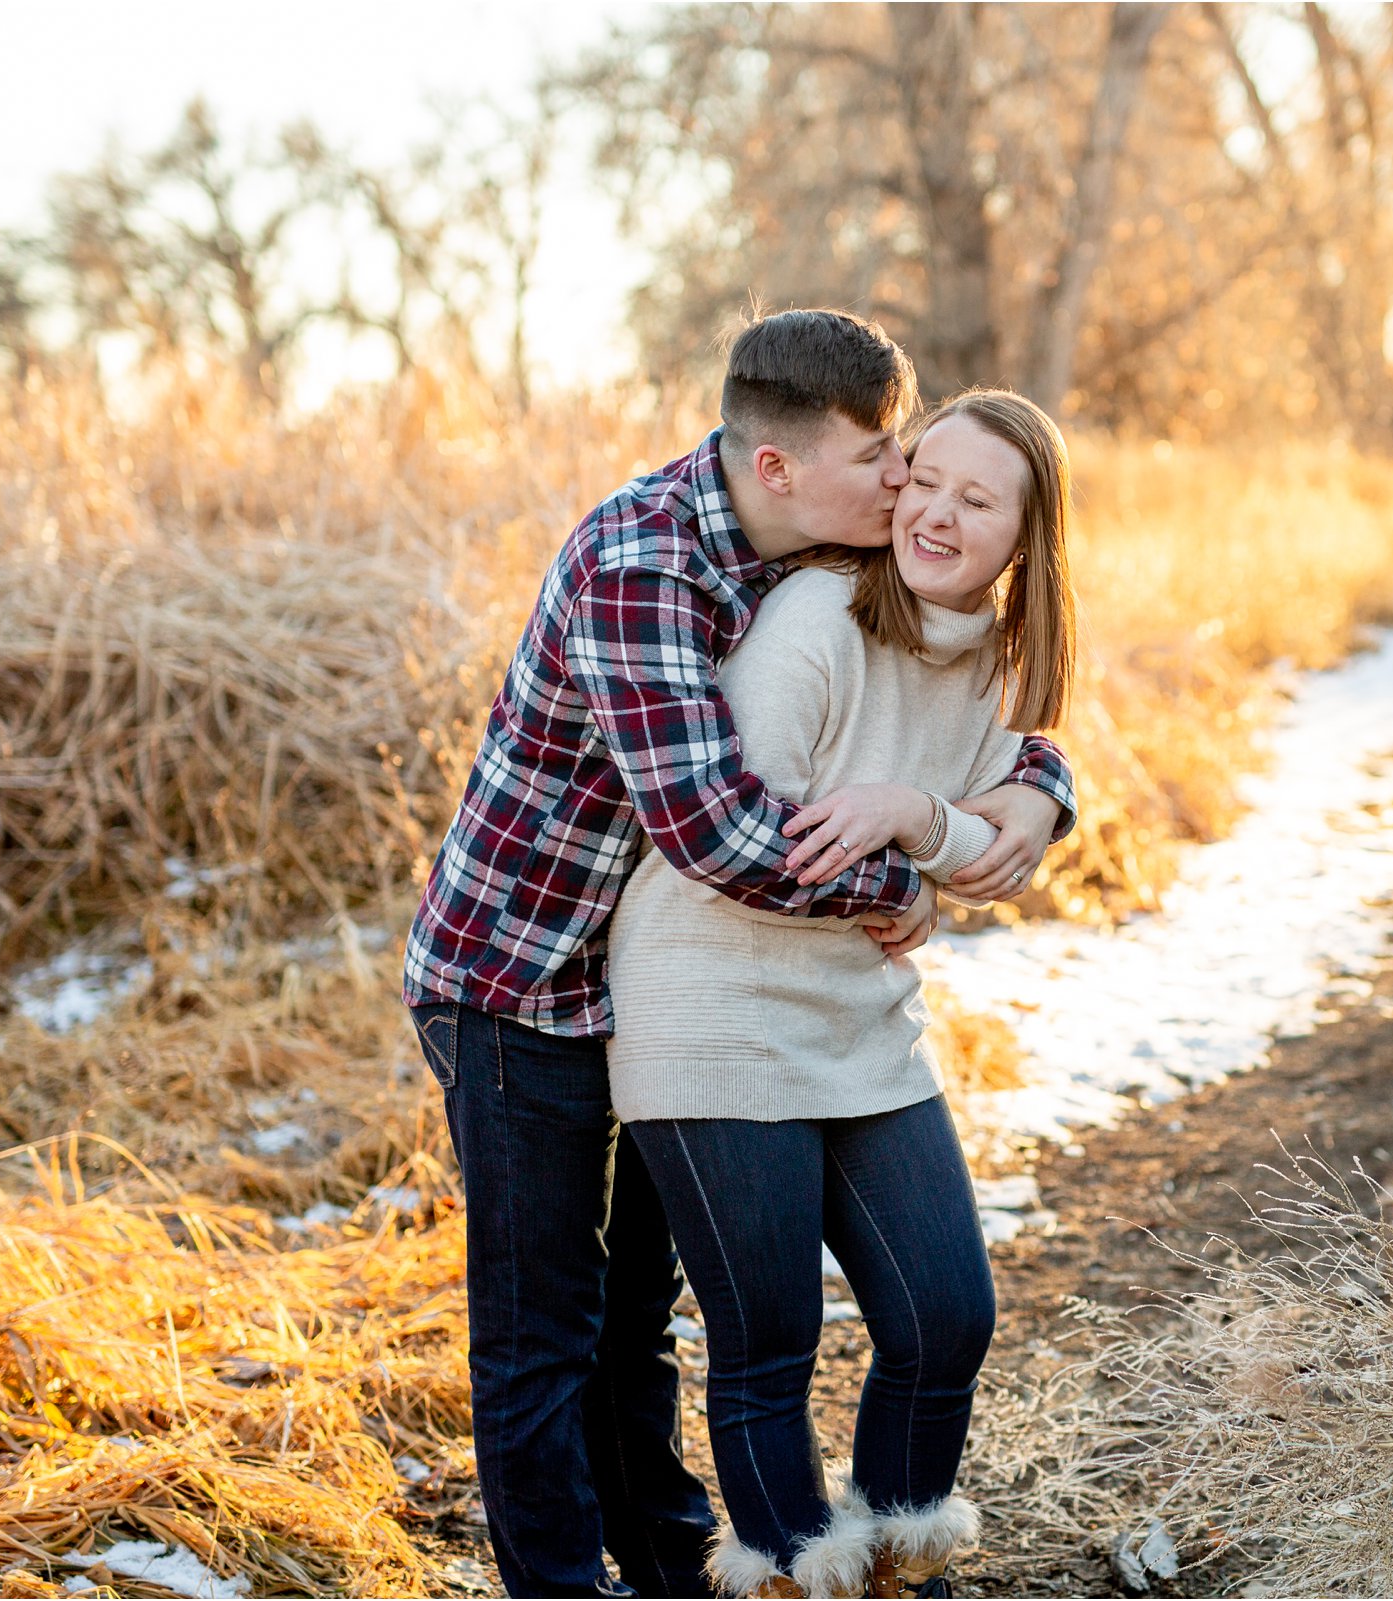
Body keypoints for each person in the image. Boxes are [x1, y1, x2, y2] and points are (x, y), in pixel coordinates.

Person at [402, 313, 1079, 1598]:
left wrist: (1041, 786)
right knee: (543, 1328)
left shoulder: (813, 537)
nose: (905, 483)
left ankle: (670, 1561)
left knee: (635, 1321)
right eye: (887, 455)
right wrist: (909, 879)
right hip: (522, 975)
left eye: (916, 456)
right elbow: (721, 833)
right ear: (779, 467)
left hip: (644, 974)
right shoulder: (640, 563)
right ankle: (559, 1582)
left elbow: (967, 670)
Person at [605, 390, 1078, 1599]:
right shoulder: (817, 614)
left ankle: (895, 1565)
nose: (931, 511)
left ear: (1024, 541)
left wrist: (929, 823)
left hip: (858, 1016)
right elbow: (755, 838)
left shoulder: (993, 666)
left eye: (976, 501)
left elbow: (986, 851)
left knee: (943, 1318)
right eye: (922, 478)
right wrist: (909, 874)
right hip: (711, 1007)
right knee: (767, 1340)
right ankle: (790, 1576)